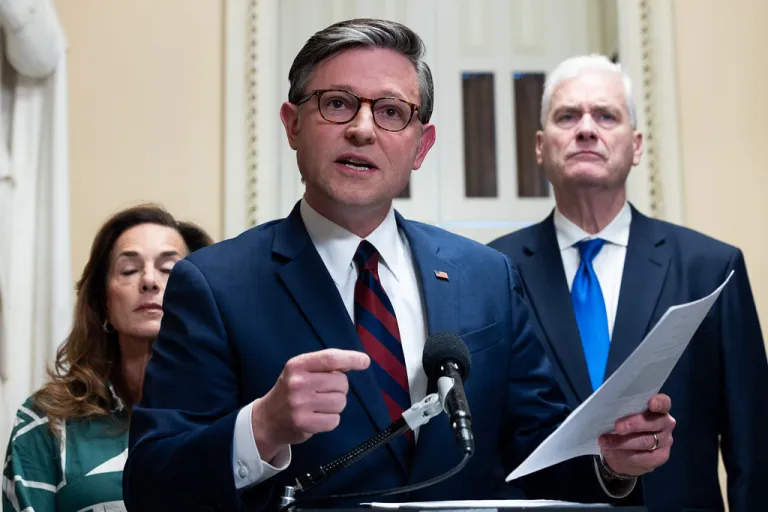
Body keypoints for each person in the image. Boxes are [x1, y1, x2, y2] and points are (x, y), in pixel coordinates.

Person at [123, 20, 675, 512]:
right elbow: (152, 484)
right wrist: (261, 427)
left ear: (421, 145)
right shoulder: (216, 284)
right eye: (338, 104)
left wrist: (610, 462)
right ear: (292, 124)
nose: (363, 129)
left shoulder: (485, 277)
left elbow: (534, 449)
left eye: (391, 112)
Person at [489, 54, 768, 511]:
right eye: (567, 116)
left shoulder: (711, 267)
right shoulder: (492, 270)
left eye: (605, 115)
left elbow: (753, 447)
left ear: (636, 145)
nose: (585, 128)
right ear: (540, 146)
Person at [2, 204, 213, 511]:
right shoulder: (46, 420)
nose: (150, 281)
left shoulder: (230, 415)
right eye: (129, 270)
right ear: (103, 304)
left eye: (170, 269)